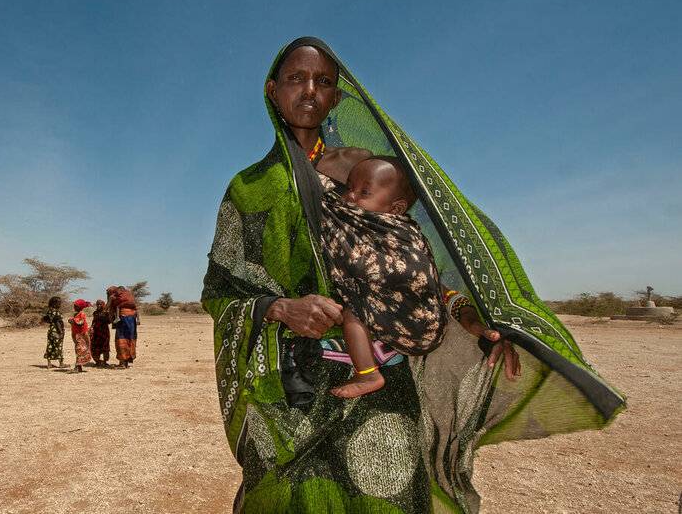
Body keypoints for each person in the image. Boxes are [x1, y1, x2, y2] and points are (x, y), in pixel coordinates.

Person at [203, 37, 623, 513]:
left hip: (383, 380)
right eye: (296, 78)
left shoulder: (370, 173)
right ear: (272, 89)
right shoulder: (249, 189)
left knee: (388, 495)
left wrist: (471, 317)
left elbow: (413, 264)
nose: (309, 91)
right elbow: (220, 289)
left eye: (323, 82)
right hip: (290, 391)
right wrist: (281, 307)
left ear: (338, 98)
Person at [320, 156, 448, 399]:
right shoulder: (353, 218)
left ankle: (367, 373)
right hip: (418, 318)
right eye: (349, 188)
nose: (351, 196)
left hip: (420, 318)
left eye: (364, 191)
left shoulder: (402, 231)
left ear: (396, 209)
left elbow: (417, 268)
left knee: (353, 311)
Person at [106, 286, 138, 369]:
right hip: (132, 318)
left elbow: (107, 308)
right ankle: (126, 360)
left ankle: (122, 363)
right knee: (130, 339)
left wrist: (109, 301)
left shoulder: (114, 298)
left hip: (123, 319)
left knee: (121, 340)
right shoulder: (128, 300)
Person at [69, 299, 92, 372]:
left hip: (81, 335)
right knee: (78, 350)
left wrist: (74, 322)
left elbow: (81, 324)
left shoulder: (82, 314)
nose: (74, 307)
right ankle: (79, 367)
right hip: (76, 334)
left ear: (80, 307)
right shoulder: (75, 314)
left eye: (76, 306)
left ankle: (77, 367)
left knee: (79, 350)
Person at [42, 296, 64, 369]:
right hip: (56, 332)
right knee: (58, 346)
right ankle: (61, 363)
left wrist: (51, 322)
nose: (60, 305)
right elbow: (57, 323)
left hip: (51, 331)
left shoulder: (49, 312)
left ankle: (49, 363)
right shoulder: (57, 313)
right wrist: (61, 333)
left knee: (50, 346)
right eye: (59, 303)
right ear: (54, 304)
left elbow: (44, 319)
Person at [90, 299, 112, 367]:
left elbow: (109, 321)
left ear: (103, 305)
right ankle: (98, 361)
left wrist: (103, 316)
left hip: (104, 332)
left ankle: (105, 361)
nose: (99, 306)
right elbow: (94, 321)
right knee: (95, 346)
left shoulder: (106, 313)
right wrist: (91, 327)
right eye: (98, 304)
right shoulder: (95, 313)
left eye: (100, 304)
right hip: (96, 332)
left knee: (105, 346)